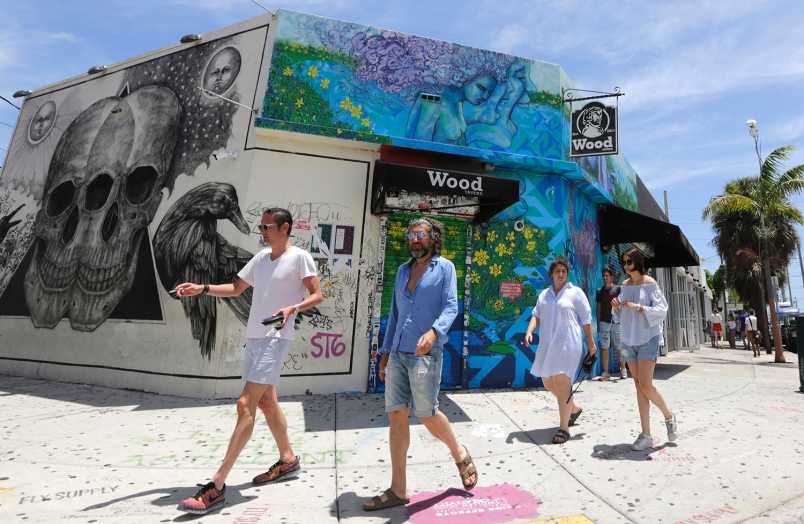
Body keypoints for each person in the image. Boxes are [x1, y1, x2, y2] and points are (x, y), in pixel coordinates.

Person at [174, 207, 323, 515]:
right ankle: (288, 460)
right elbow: (235, 288)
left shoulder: (300, 258)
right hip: (255, 337)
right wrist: (200, 288)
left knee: (245, 405)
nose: (262, 231)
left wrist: (291, 309)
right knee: (267, 403)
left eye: (267, 226)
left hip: (275, 337)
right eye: (261, 226)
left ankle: (215, 486)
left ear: (284, 227)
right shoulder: (260, 259)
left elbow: (317, 295)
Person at [363, 218, 477, 511]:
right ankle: (398, 489)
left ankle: (458, 451)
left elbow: (452, 304)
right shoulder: (402, 271)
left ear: (433, 238)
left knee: (427, 414)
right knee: (397, 416)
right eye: (411, 235)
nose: (414, 239)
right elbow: (396, 311)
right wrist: (385, 350)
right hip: (399, 352)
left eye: (420, 234)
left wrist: (435, 331)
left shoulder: (446, 268)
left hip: (426, 353)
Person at [525, 255, 596, 445]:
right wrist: (529, 331)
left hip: (569, 343)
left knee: (562, 382)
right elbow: (536, 315)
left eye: (564, 271)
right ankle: (573, 408)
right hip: (548, 344)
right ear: (552, 274)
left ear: (567, 273)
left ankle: (564, 428)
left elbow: (586, 320)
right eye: (557, 271)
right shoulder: (544, 295)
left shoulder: (576, 293)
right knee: (548, 381)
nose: (561, 274)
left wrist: (591, 343)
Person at [611, 248, 677, 451]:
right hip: (628, 339)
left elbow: (662, 311)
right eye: (624, 262)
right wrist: (617, 308)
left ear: (638, 262)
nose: (625, 265)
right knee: (638, 386)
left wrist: (639, 308)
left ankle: (668, 415)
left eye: (629, 261)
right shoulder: (624, 285)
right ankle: (646, 434)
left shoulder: (650, 284)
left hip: (648, 337)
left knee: (646, 386)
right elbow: (620, 317)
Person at [595, 265, 626, 380]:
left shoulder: (618, 289)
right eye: (603, 276)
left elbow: (623, 305)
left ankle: (623, 369)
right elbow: (598, 308)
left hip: (617, 322)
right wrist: (598, 323)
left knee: (619, 346)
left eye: (607, 276)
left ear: (612, 277)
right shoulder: (599, 291)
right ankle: (606, 372)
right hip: (604, 321)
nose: (604, 277)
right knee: (604, 347)